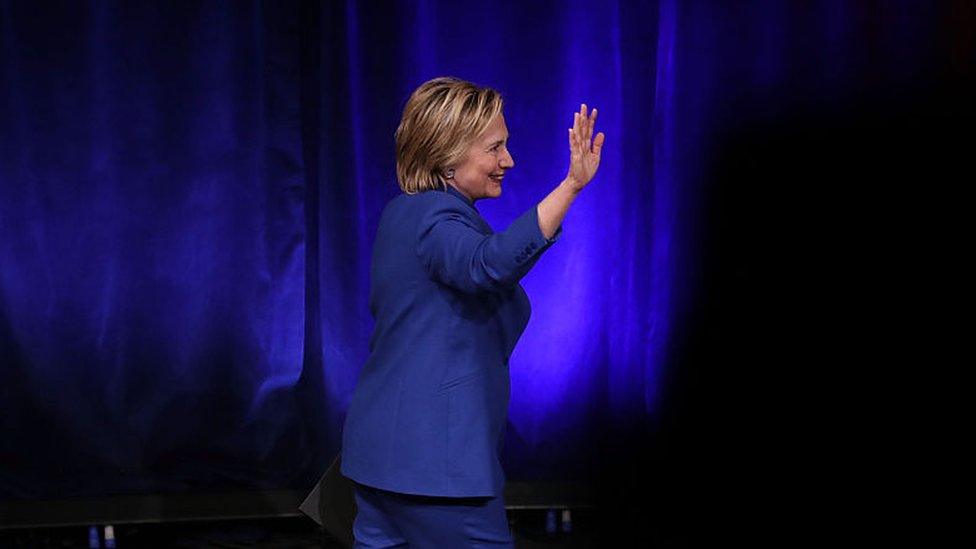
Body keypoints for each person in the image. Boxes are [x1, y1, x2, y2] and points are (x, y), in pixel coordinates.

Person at [340, 76, 604, 548]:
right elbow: (490, 264)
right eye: (494, 148)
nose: (509, 161)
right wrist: (570, 187)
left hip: (379, 460)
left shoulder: (404, 213)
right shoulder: (435, 219)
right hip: (434, 471)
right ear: (446, 156)